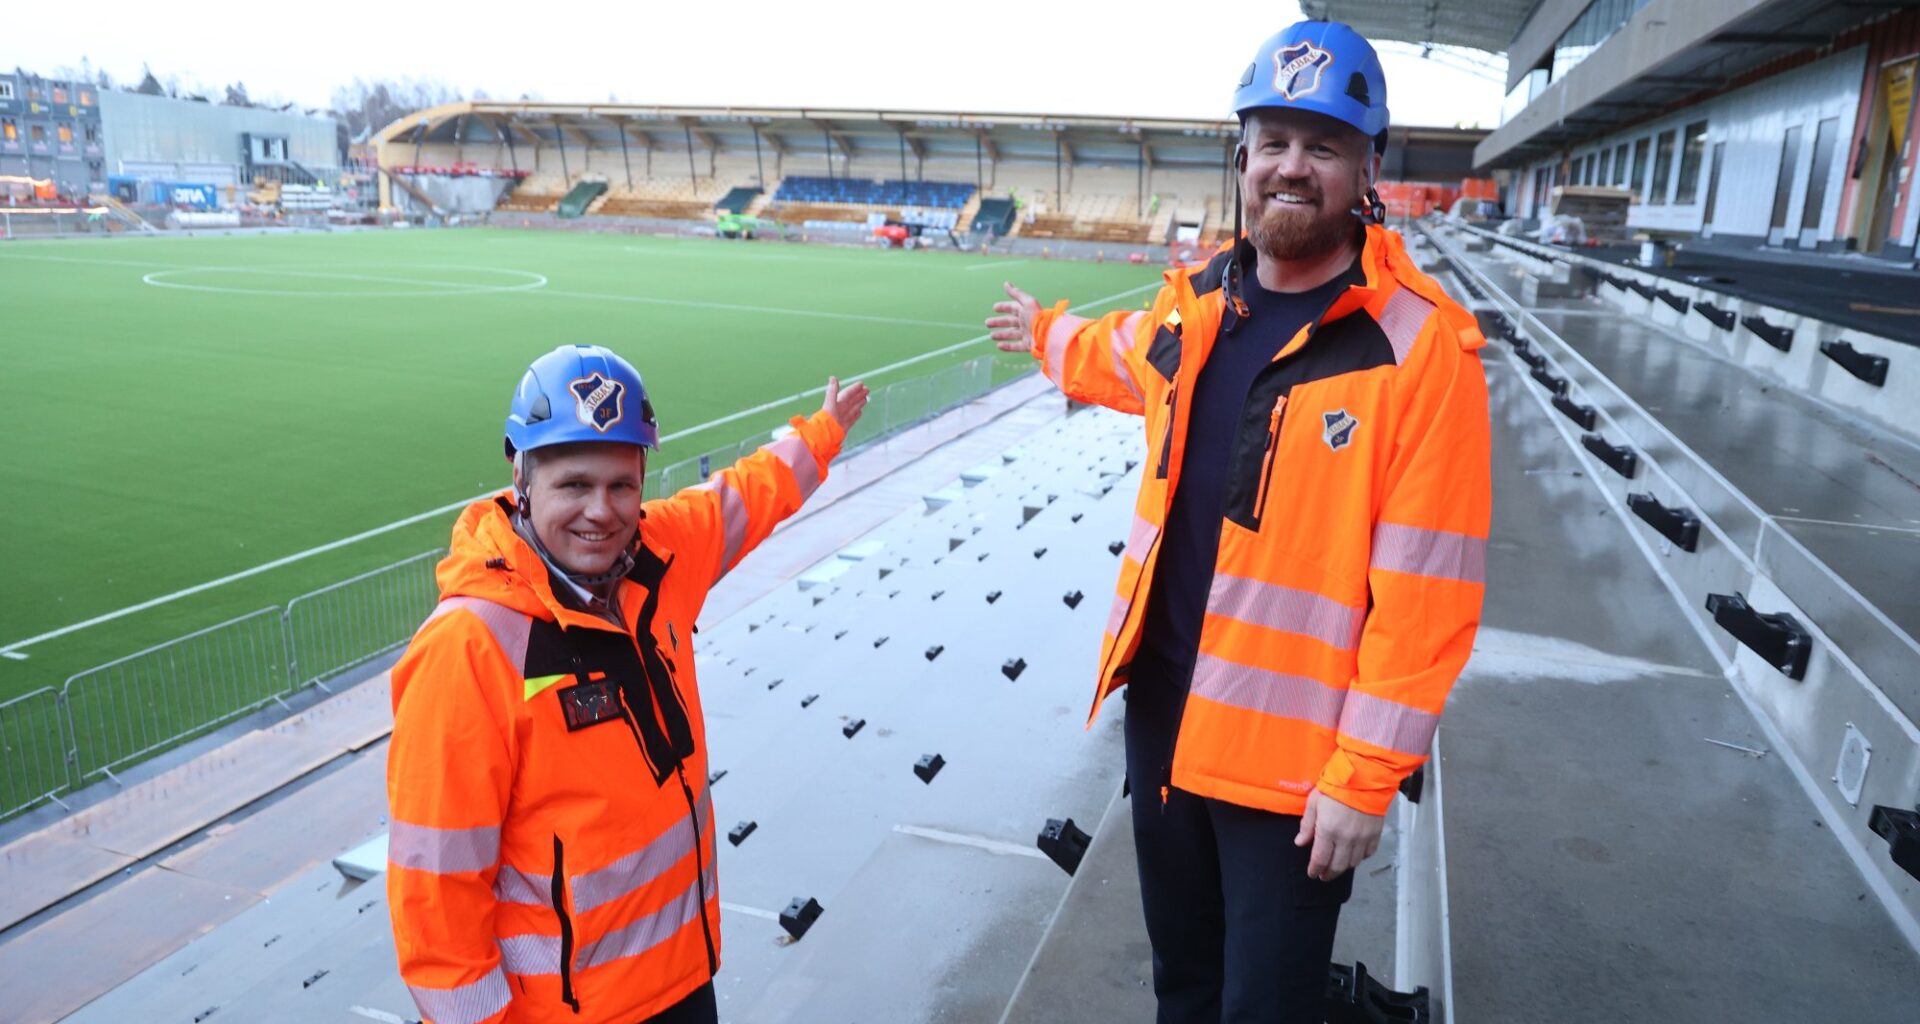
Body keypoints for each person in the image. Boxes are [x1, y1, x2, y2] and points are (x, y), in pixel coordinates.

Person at [987, 20, 1490, 1023]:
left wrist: (1366, 778)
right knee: (1185, 985)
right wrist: (1048, 335)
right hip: (1164, 719)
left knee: (1266, 1006)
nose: (1291, 167)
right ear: (1243, 157)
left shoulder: (1422, 348)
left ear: (1366, 167)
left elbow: (1428, 597)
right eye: (1273, 142)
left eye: (1322, 145)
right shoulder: (1200, 303)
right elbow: (1128, 360)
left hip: (1297, 768)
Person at [386, 344, 868, 1024]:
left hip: (686, 983)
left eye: (622, 485)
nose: (601, 512)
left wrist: (818, 437)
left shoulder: (659, 556)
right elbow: (436, 892)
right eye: (574, 485)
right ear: (520, 478)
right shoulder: (470, 649)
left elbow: (740, 498)